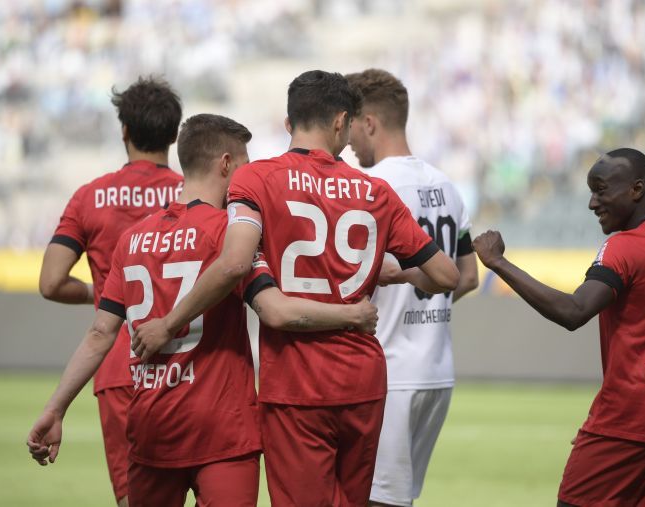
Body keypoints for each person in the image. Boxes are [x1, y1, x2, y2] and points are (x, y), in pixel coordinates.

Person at [131, 70, 460, 507]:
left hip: (297, 380)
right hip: (364, 377)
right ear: (342, 122)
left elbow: (234, 264)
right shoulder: (375, 191)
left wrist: (169, 323)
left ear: (289, 123)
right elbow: (446, 276)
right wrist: (384, 271)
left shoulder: (257, 180)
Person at [27, 113, 380, 506]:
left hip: (152, 426)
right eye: (244, 163)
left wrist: (55, 409)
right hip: (222, 431)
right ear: (227, 164)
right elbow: (274, 308)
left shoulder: (132, 240)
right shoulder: (231, 239)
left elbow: (99, 334)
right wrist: (354, 311)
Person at [473, 148, 645, 506]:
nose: (592, 203)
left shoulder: (625, 246)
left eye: (601, 190)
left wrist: (497, 262)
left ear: (636, 189)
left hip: (632, 419)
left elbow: (574, 311)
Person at [37, 76, 184, 506]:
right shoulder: (193, 195)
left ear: (124, 130)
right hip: (189, 360)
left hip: (120, 365)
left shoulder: (90, 197)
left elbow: (50, 281)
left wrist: (97, 296)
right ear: (174, 134)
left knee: (135, 499)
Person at [345, 68, 479, 507]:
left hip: (389, 369)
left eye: (351, 127)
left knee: (374, 499)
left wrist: (399, 297)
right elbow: (469, 275)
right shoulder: (448, 186)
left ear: (369, 123)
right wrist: (422, 298)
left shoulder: (371, 187)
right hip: (437, 369)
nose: (348, 141)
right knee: (398, 498)